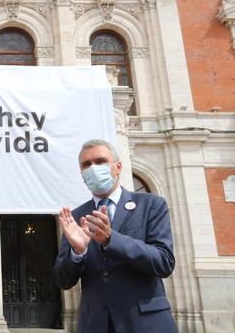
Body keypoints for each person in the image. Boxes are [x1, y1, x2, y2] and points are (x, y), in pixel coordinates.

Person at [52, 139, 177, 333]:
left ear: (117, 167)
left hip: (145, 323)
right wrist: (77, 252)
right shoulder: (76, 217)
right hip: (96, 325)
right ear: (82, 176)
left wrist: (111, 239)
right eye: (86, 165)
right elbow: (63, 280)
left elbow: (164, 262)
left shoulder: (151, 205)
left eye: (100, 161)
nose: (93, 168)